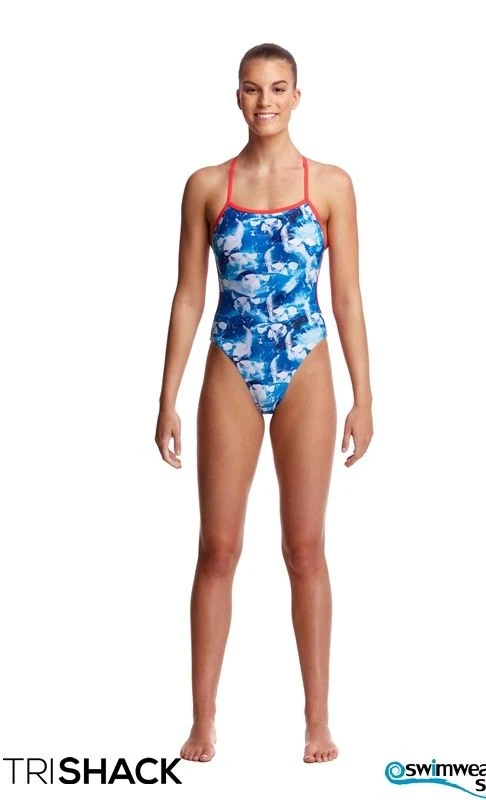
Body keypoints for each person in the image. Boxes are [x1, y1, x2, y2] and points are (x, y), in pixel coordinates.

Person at [155, 42, 373, 764]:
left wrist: (363, 396)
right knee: (217, 549)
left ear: (297, 97)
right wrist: (167, 397)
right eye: (252, 88)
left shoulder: (330, 185)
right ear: (237, 97)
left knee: (304, 548)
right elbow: (189, 297)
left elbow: (347, 298)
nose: (265, 101)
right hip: (231, 362)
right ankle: (203, 722)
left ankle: (318, 721)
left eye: (278, 88)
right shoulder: (207, 186)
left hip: (306, 362)